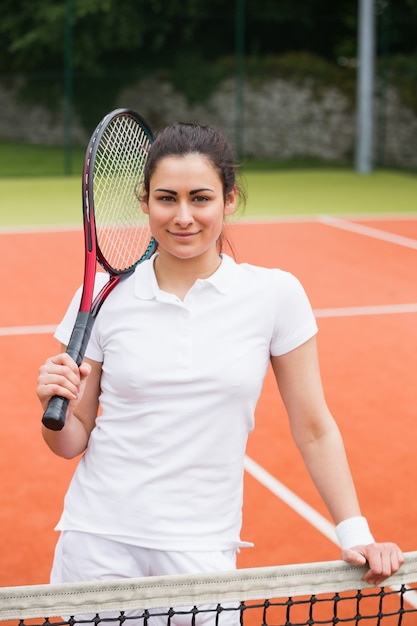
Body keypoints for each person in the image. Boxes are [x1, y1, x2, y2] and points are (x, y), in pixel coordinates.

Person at [37, 122, 403, 597]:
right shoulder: (105, 299)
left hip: (202, 548)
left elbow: (314, 427)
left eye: (201, 198)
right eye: (167, 198)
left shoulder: (274, 294)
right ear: (144, 201)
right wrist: (54, 403)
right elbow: (70, 442)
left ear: (229, 200)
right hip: (99, 541)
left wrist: (356, 534)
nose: (183, 216)